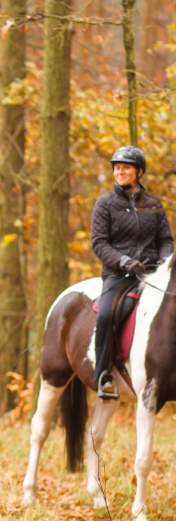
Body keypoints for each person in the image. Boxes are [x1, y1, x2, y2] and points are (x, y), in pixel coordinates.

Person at [91, 145, 173, 400]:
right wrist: (125, 262)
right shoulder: (105, 203)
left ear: (139, 171)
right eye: (116, 168)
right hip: (119, 276)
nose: (119, 172)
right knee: (106, 314)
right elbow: (99, 242)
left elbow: (166, 240)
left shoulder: (154, 204)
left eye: (125, 167)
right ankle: (104, 374)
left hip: (151, 274)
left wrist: (163, 262)